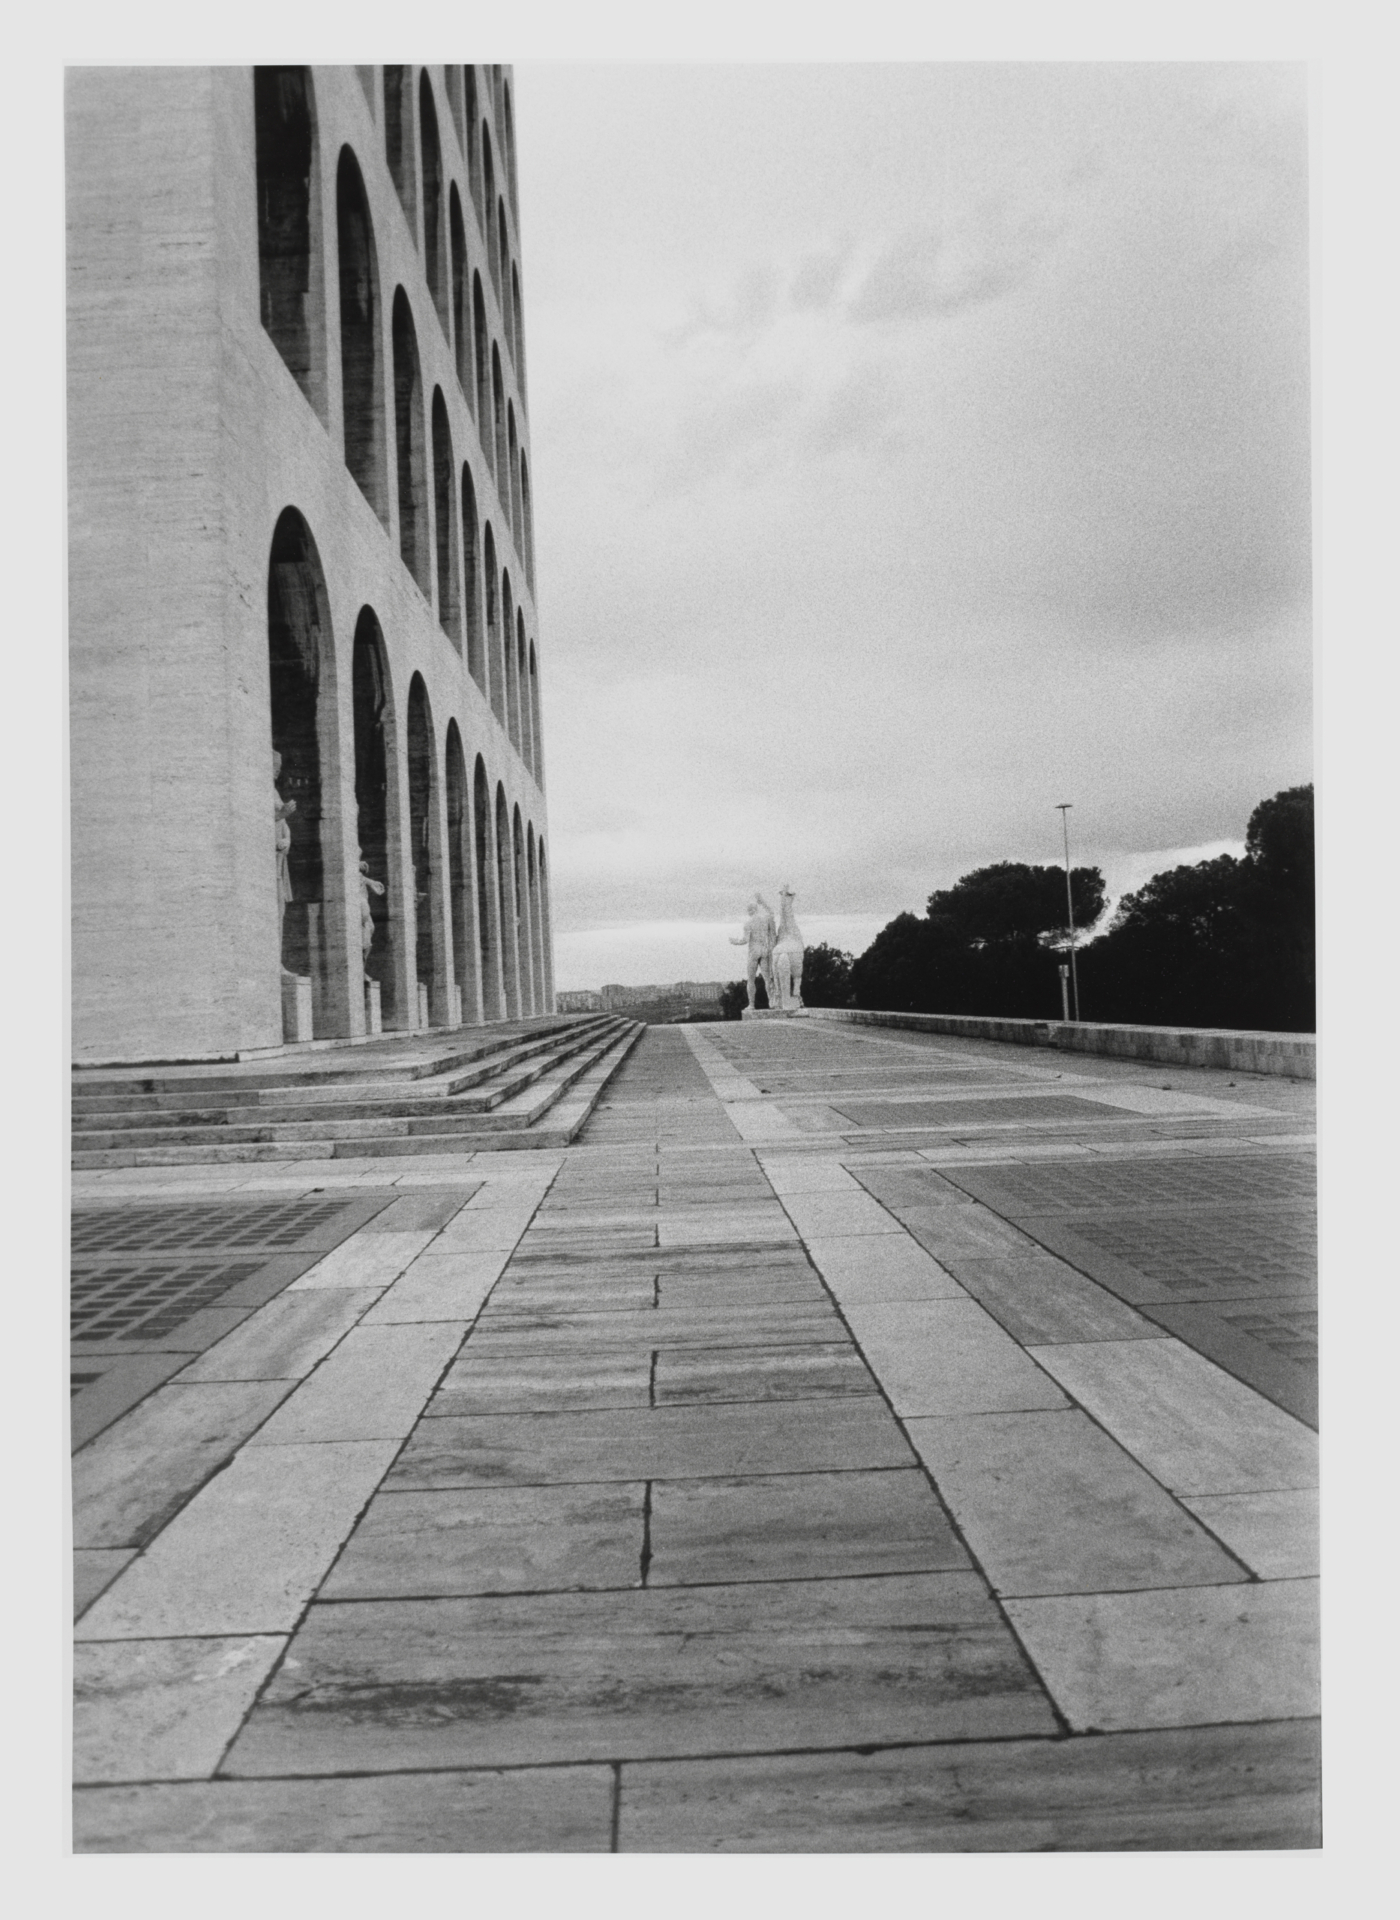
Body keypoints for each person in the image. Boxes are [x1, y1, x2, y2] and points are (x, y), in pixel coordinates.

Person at [729, 894, 778, 1009]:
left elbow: (745, 940)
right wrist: (762, 901)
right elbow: (771, 912)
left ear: (751, 910)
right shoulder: (765, 919)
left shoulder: (748, 923)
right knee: (767, 978)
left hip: (754, 952)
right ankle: (772, 1001)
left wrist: (735, 941)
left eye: (748, 910)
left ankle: (751, 1004)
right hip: (764, 950)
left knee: (751, 979)